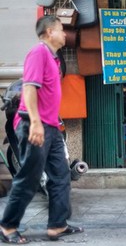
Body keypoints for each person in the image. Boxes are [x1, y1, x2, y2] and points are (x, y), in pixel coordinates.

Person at [0, 16, 84, 244]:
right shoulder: (38, 53)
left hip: (51, 126)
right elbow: (29, 89)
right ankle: (7, 226)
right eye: (60, 30)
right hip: (33, 124)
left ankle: (57, 224)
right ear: (49, 32)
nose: (65, 34)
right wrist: (35, 123)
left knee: (60, 175)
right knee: (29, 177)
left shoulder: (53, 57)